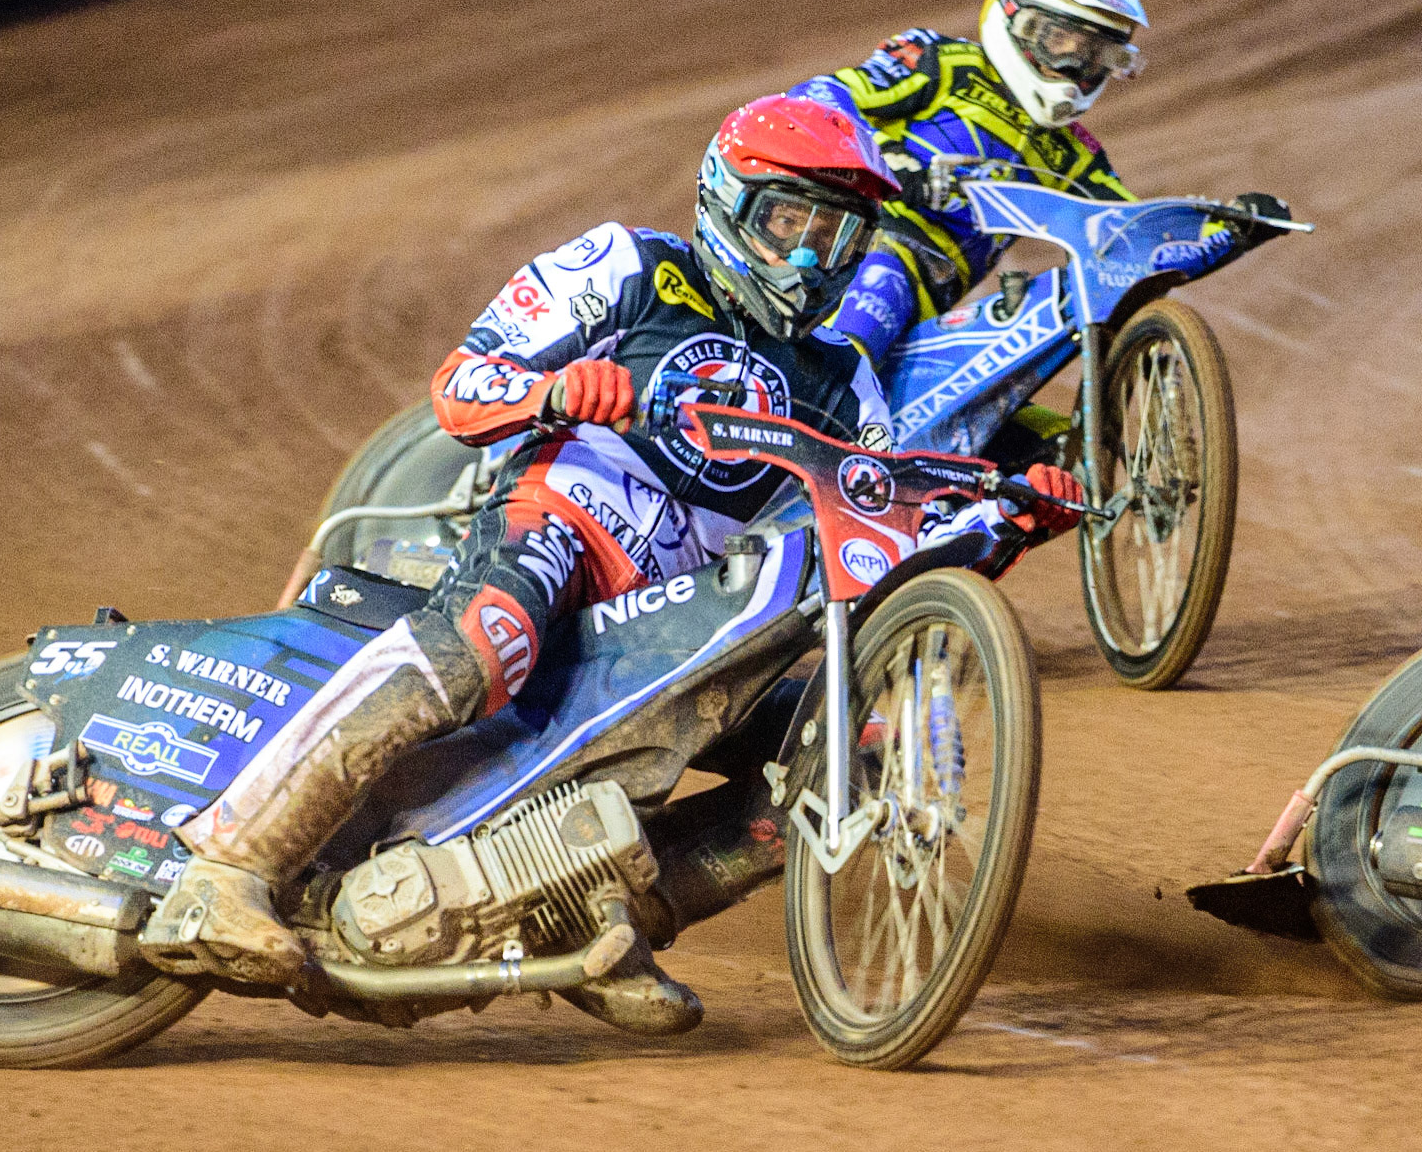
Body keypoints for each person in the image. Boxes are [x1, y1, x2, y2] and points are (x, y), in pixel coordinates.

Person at [147, 95, 1083, 1031]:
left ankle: (602, 924)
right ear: (726, 199)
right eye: (788, 221)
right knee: (487, 640)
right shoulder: (629, 265)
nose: (807, 257)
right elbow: (463, 385)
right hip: (559, 531)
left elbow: (878, 521)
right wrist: (554, 391)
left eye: (836, 237)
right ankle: (228, 867)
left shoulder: (845, 376)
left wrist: (999, 518)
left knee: (860, 757)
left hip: (689, 619)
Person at [790, 0, 1289, 456]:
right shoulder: (942, 64)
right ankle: (800, 422)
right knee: (884, 282)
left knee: (1055, 457)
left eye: (1096, 56)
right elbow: (820, 96)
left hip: (935, 321)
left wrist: (1230, 230)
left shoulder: (1075, 157)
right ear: (1014, 19)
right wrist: (887, 164)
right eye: (1060, 42)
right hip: (856, 254)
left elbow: (1133, 240)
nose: (1074, 70)